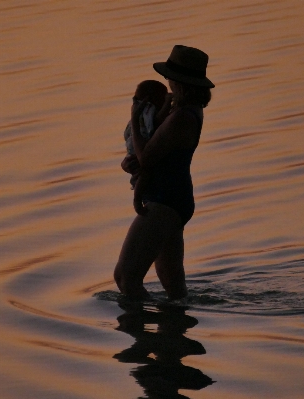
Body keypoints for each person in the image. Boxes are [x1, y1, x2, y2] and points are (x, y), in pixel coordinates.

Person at [114, 45, 214, 301]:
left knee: (125, 277)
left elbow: (146, 157)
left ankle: (149, 339)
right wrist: (131, 162)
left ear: (181, 82)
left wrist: (135, 119)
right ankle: (174, 332)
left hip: (165, 201)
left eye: (170, 77)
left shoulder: (181, 117)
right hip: (173, 199)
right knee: (173, 285)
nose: (167, 82)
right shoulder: (181, 111)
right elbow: (155, 155)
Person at [123, 80, 170, 190]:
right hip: (139, 148)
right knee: (143, 174)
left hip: (133, 151)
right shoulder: (149, 110)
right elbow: (157, 121)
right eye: (164, 96)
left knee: (140, 176)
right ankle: (138, 198)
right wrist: (168, 103)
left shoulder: (136, 113)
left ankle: (138, 195)